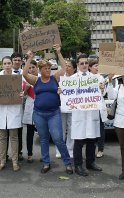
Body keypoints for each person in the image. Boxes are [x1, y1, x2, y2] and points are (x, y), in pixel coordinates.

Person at [23, 44, 73, 174]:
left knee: (58, 139)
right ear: (41, 69)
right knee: (44, 139)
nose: (48, 70)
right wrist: (29, 58)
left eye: (49, 68)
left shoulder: (54, 78)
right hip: (39, 114)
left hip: (53, 113)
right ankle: (46, 163)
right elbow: (24, 73)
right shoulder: (36, 80)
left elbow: (63, 68)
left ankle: (67, 162)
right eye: (46, 68)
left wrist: (59, 53)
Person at [71, 54, 104, 177]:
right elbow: (68, 95)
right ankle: (78, 165)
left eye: (86, 63)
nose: (84, 65)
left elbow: (102, 92)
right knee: (79, 141)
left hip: (91, 114)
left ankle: (90, 162)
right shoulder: (72, 79)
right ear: (78, 65)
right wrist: (61, 92)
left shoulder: (96, 78)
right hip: (79, 115)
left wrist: (102, 88)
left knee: (92, 139)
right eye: (81, 63)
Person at [0, 56, 23, 172]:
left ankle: (15, 162)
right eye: (5, 63)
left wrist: (21, 94)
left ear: (12, 64)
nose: (7, 65)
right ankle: (2, 161)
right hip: (1, 111)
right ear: (2, 65)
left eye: (9, 63)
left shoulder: (17, 78)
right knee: (2, 137)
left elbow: (23, 90)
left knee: (14, 138)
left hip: (13, 111)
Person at [55, 59, 77, 159]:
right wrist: (58, 92)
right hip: (61, 106)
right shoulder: (60, 78)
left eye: (69, 66)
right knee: (61, 129)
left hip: (73, 107)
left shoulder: (78, 79)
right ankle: (59, 149)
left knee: (72, 129)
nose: (66, 68)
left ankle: (70, 149)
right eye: (66, 65)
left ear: (74, 69)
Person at [88, 59, 108, 158]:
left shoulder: (101, 78)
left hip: (99, 107)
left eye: (98, 65)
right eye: (95, 65)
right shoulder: (86, 78)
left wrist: (102, 88)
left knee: (101, 129)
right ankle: (90, 150)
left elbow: (104, 94)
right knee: (91, 129)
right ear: (90, 67)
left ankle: (100, 149)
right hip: (90, 107)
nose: (97, 67)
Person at [22, 60, 39, 163]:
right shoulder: (25, 79)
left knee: (43, 133)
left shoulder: (42, 78)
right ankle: (29, 154)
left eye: (33, 67)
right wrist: (26, 89)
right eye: (30, 68)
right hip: (30, 107)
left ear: (37, 67)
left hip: (41, 107)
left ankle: (44, 154)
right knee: (29, 132)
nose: (32, 70)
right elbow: (22, 96)